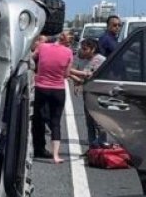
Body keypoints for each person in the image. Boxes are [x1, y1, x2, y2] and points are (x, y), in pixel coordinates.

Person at [31, 31, 74, 163]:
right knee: (56, 122)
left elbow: (31, 58)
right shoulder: (68, 53)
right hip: (58, 90)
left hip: (41, 87)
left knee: (38, 119)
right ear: (68, 42)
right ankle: (55, 155)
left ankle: (36, 147)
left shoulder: (43, 47)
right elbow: (66, 75)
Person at [69, 38, 108, 147]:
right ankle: (92, 144)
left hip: (98, 93)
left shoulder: (100, 59)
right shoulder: (82, 59)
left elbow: (88, 74)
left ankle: (102, 142)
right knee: (89, 119)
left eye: (85, 49)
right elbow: (77, 73)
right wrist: (76, 83)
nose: (82, 51)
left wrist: (68, 71)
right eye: (81, 48)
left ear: (93, 49)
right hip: (87, 92)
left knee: (99, 119)